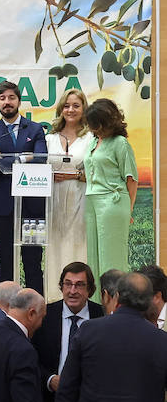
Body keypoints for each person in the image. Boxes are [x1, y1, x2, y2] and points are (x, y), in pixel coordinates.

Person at [57, 271, 167, 402]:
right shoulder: (161, 341)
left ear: (116, 297)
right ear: (149, 302)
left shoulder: (88, 331)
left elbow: (67, 388)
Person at [0, 80, 47, 291]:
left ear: (19, 100)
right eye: (2, 99)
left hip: (32, 207)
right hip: (3, 207)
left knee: (33, 261)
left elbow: (40, 158)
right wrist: (22, 158)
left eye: (11, 97)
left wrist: (7, 159)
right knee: (6, 261)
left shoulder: (36, 129)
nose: (7, 102)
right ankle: (6, 311)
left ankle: (37, 313)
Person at [31, 262, 102, 402]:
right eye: (68, 284)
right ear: (61, 286)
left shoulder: (102, 316)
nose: (72, 291)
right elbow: (30, 357)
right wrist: (49, 379)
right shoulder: (45, 316)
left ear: (90, 289)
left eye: (79, 285)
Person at [83, 98, 138, 279]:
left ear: (108, 121)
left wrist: (127, 209)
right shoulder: (93, 142)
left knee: (111, 259)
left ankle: (116, 305)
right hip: (92, 202)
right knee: (94, 260)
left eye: (97, 124)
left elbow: (131, 179)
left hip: (113, 203)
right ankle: (98, 305)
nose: (94, 129)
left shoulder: (120, 143)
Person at [45, 89, 91, 299]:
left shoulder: (91, 137)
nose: (70, 110)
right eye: (66, 106)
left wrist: (76, 176)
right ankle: (54, 299)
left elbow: (98, 171)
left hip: (80, 198)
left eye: (76, 106)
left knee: (78, 243)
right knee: (55, 245)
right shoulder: (49, 138)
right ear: (60, 109)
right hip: (53, 200)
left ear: (84, 109)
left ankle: (81, 298)